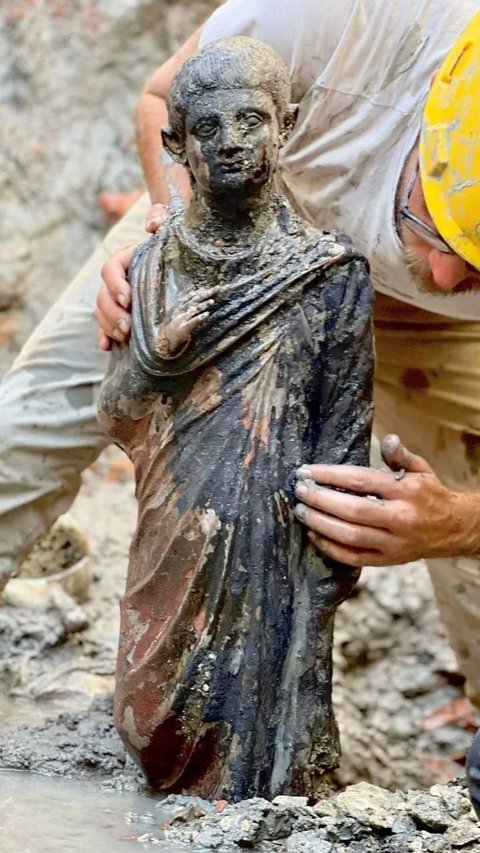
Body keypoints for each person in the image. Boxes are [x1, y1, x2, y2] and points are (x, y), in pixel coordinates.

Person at [0, 0, 480, 698]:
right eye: (431, 220)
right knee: (31, 426)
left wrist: (457, 521)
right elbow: (166, 95)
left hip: (427, 327)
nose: (441, 275)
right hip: (225, 220)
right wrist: (165, 246)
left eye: (477, 266)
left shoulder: (432, 287)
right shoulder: (339, 18)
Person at [98, 35, 373, 798]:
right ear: (174, 142)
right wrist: (156, 361)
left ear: (287, 123)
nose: (231, 144)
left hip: (278, 556)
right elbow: (114, 414)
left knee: (270, 770)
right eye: (209, 128)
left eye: (251, 121)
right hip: (172, 542)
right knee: (151, 727)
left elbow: (345, 442)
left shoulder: (329, 273)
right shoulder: (151, 269)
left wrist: (325, 577)